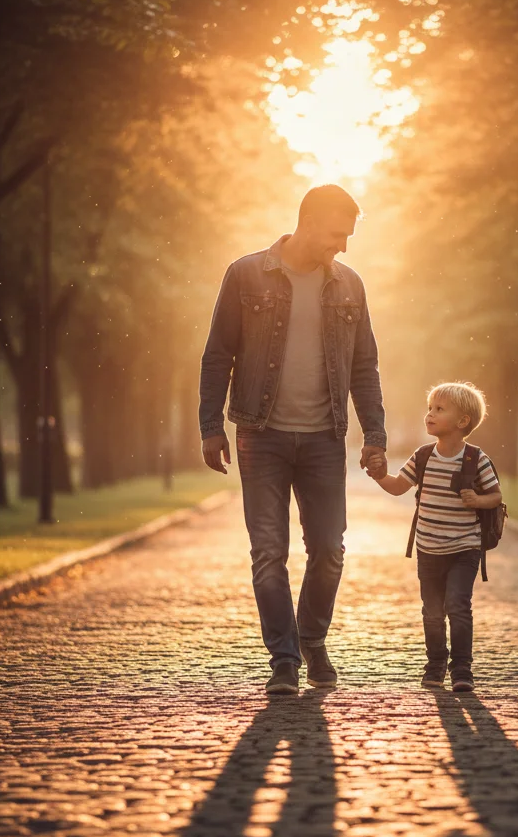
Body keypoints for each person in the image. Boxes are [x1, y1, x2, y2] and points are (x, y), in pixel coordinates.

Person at [199, 184, 387, 695]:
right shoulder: (245, 274)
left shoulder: (350, 285)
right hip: (261, 435)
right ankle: (284, 659)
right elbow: (219, 355)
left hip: (326, 435)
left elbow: (364, 364)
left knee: (329, 549)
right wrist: (211, 426)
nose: (343, 246)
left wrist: (375, 432)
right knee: (269, 552)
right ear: (307, 221)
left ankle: (311, 638)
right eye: (336, 234)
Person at [365, 382, 502, 692]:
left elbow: (495, 497)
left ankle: (462, 669)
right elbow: (399, 485)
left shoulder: (475, 459)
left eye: (439, 410)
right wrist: (379, 476)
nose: (430, 414)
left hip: (464, 548)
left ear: (462, 421)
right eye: (429, 408)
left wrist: (476, 501)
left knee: (457, 606)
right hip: (428, 548)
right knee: (432, 610)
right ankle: (435, 664)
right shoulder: (423, 455)